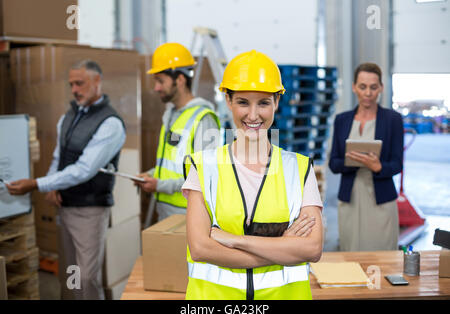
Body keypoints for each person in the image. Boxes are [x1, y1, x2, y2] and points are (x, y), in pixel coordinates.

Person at [182, 50, 323, 300]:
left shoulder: (299, 169)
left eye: (264, 103)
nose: (253, 115)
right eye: (243, 102)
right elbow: (201, 248)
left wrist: (235, 240)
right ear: (228, 100)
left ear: (277, 102)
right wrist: (282, 244)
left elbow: (311, 248)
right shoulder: (203, 167)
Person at [7, 60, 126, 300]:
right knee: (70, 274)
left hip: (90, 210)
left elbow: (84, 169)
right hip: (66, 206)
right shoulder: (69, 116)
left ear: (97, 82)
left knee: (86, 278)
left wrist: (38, 184)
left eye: (79, 83)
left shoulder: (110, 123)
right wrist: (52, 184)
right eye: (71, 84)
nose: (74, 89)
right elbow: (58, 157)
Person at [135, 42, 220, 221]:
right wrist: (152, 175)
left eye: (161, 80)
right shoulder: (171, 115)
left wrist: (160, 185)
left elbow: (205, 175)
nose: (156, 87)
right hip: (165, 210)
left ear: (180, 80)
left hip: (188, 214)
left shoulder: (203, 119)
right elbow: (171, 164)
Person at [328, 62, 404, 251]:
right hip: (350, 199)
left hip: (381, 201)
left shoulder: (392, 120)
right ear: (354, 87)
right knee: (350, 252)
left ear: (381, 88)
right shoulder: (342, 120)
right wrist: (352, 161)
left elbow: (397, 163)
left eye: (373, 87)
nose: (368, 93)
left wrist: (378, 167)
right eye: (363, 87)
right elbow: (333, 163)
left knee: (383, 255)